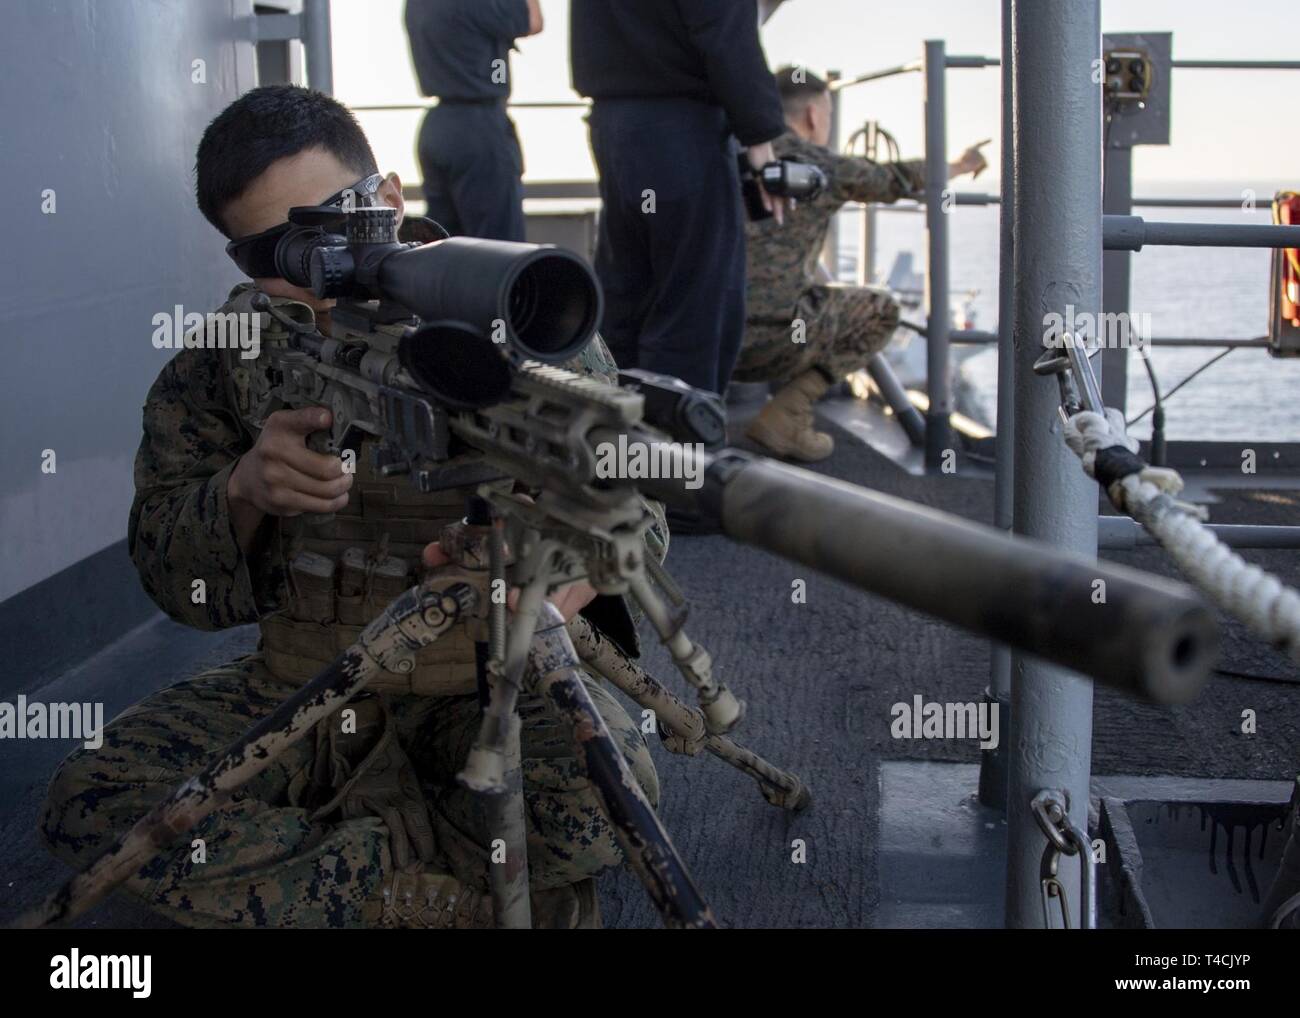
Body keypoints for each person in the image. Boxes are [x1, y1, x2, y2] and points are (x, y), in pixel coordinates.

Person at [38, 85, 666, 930]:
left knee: (600, 794)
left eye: (333, 221)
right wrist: (242, 493)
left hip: (486, 685)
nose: (316, 267)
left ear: (391, 199)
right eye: (273, 251)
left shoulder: (522, 312)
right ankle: (418, 892)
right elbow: (170, 574)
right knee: (95, 794)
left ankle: (332, 867)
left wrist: (556, 582)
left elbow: (639, 508)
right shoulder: (232, 353)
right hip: (303, 687)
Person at [737, 67, 988, 462]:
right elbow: (896, 178)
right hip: (772, 345)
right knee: (882, 311)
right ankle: (788, 414)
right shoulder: (822, 167)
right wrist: (960, 164)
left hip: (701, 340)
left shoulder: (722, 156)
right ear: (814, 115)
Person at [570, 0, 789, 395]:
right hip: (680, 130)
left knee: (625, 293)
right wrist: (760, 140)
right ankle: (680, 449)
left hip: (613, 124)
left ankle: (615, 436)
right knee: (695, 304)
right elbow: (725, 32)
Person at [404, 0, 542, 240]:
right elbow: (532, 20)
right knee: (500, 247)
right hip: (479, 127)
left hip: (438, 127)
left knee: (445, 244)